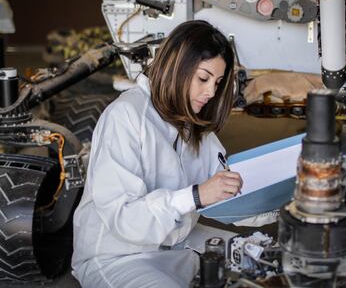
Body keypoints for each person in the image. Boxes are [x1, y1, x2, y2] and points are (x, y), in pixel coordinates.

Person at [71, 20, 243, 288]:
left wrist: (286, 196)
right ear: (177, 67)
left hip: (176, 244)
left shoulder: (194, 125)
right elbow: (123, 218)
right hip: (116, 257)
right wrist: (195, 196)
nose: (211, 92)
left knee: (264, 255)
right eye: (203, 78)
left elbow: (228, 190)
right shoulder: (125, 116)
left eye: (218, 82)